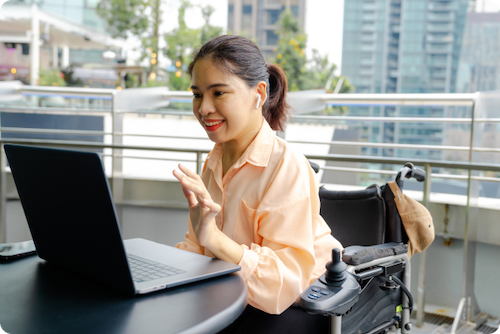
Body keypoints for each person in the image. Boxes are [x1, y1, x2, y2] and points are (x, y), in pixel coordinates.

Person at [173, 35, 342, 333]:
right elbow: (199, 245)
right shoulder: (213, 161)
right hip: (236, 293)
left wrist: (213, 239)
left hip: (295, 305)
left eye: (219, 93)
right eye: (197, 94)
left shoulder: (286, 166)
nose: (204, 108)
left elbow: (280, 288)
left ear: (258, 94)